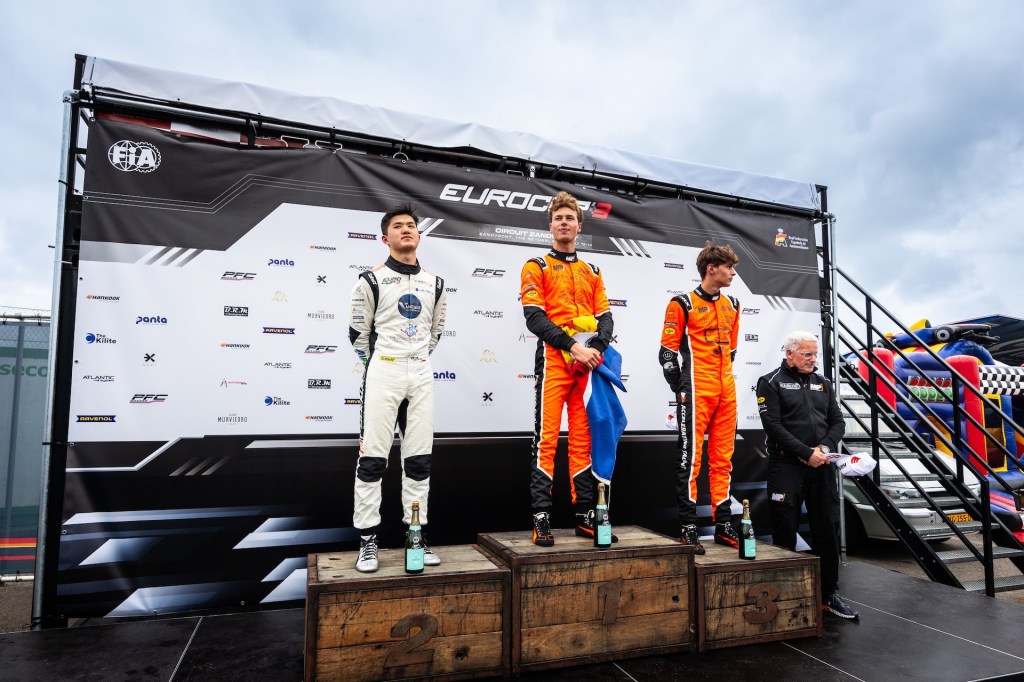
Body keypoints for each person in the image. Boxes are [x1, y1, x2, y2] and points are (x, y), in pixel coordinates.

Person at [348, 203, 447, 572]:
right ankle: (367, 541)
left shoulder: (436, 284)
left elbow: (435, 333)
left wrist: (413, 360)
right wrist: (381, 366)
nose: (406, 230)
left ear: (419, 235)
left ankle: (415, 536)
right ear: (384, 238)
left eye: (411, 226)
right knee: (373, 460)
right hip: (383, 373)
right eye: (398, 226)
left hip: (420, 374)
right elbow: (358, 335)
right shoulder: (370, 280)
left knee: (419, 460)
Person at [521, 191, 614, 546]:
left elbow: (606, 318)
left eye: (569, 218)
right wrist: (573, 347)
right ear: (550, 226)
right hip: (554, 362)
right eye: (558, 218)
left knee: (582, 439)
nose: (564, 223)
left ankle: (585, 515)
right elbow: (534, 317)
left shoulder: (592, 270)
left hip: (585, 366)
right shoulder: (537, 266)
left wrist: (594, 351)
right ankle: (541, 517)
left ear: (579, 226)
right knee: (546, 439)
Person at [756, 331, 859, 620]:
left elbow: (837, 422)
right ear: (789, 353)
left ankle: (828, 595)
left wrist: (822, 449)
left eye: (815, 354)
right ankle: (783, 596)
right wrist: (804, 452)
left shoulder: (823, 382)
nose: (813, 359)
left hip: (821, 465)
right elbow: (772, 425)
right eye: (807, 354)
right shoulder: (771, 381)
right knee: (785, 531)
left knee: (827, 529)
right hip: (786, 466)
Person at [659, 241, 740, 553]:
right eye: (728, 267)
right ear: (711, 269)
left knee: (723, 459)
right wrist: (681, 389)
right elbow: (667, 354)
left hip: (726, 390)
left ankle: (724, 524)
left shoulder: (733, 304)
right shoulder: (682, 303)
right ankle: (688, 526)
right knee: (690, 459)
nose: (732, 273)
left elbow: (732, 351)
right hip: (696, 388)